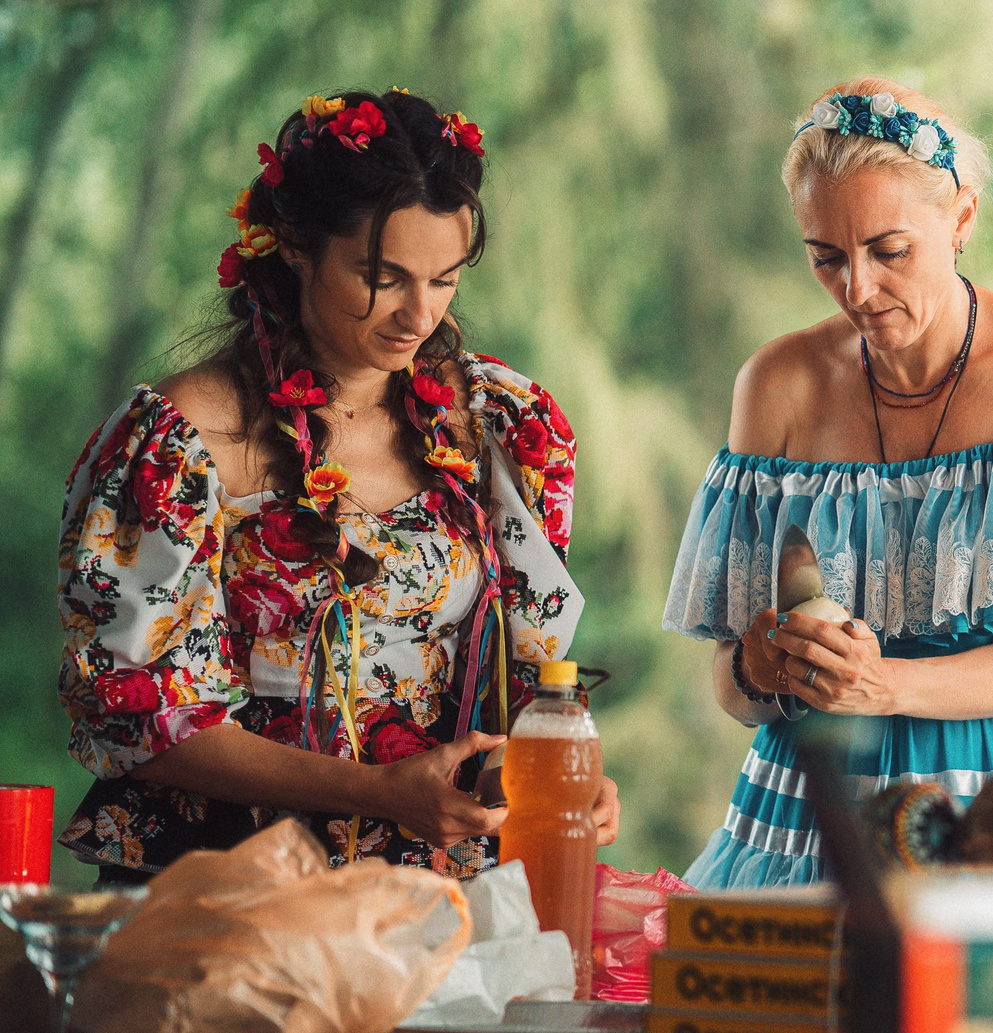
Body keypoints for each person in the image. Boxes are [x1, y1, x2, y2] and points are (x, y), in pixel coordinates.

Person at [58, 88, 610, 881]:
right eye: (381, 277)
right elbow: (137, 715)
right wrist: (378, 791)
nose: (418, 315)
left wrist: (551, 776)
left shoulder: (495, 425)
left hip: (436, 896)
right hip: (221, 893)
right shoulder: (180, 445)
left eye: (445, 279)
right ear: (293, 247)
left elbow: (524, 681)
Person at [665, 78, 993, 893]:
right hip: (812, 813)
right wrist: (767, 667)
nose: (858, 290)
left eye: (890, 250)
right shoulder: (775, 385)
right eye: (826, 258)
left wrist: (884, 683)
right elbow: (732, 687)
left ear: (963, 219)